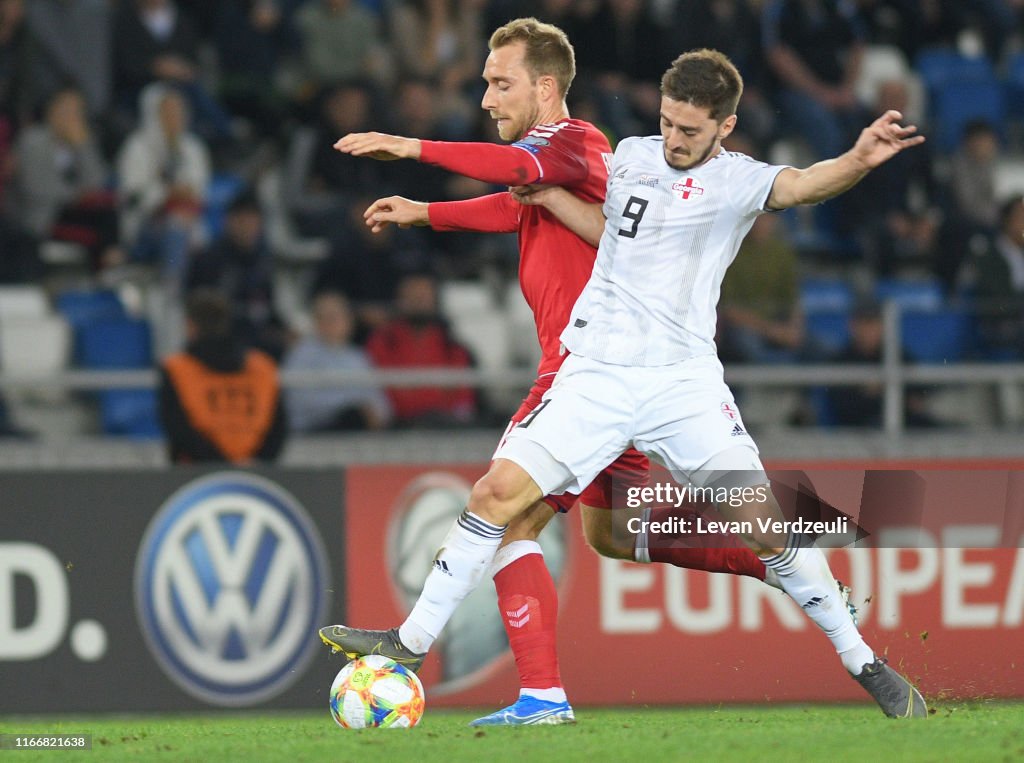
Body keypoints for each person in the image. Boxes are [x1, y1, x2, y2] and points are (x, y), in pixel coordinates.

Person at [323, 48, 928, 719]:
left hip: (683, 382)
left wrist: (858, 159)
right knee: (498, 494)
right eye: (668, 122)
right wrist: (549, 198)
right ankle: (409, 642)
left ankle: (865, 663)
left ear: (724, 129)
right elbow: (611, 233)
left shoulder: (739, 181)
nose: (674, 140)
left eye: (690, 131)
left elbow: (806, 184)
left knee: (762, 528)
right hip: (597, 373)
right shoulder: (634, 155)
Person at [158, 287, 287, 464]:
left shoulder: (177, 369)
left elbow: (179, 429)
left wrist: (219, 463)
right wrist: (255, 462)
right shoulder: (263, 367)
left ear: (190, 326)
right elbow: (278, 428)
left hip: (194, 476)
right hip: (255, 473)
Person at [365, 272, 477, 428]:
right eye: (412, 297)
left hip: (444, 429)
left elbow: (463, 398)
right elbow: (380, 392)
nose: (418, 302)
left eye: (423, 297)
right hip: (397, 430)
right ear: (400, 299)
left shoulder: (450, 345)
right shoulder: (383, 341)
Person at [284, 290, 391, 432]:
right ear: (315, 322)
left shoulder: (358, 356)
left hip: (361, 434)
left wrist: (375, 413)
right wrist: (351, 406)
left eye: (335, 317)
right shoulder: (301, 354)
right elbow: (300, 402)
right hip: (315, 435)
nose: (330, 323)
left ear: (348, 321)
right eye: (324, 317)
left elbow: (379, 402)